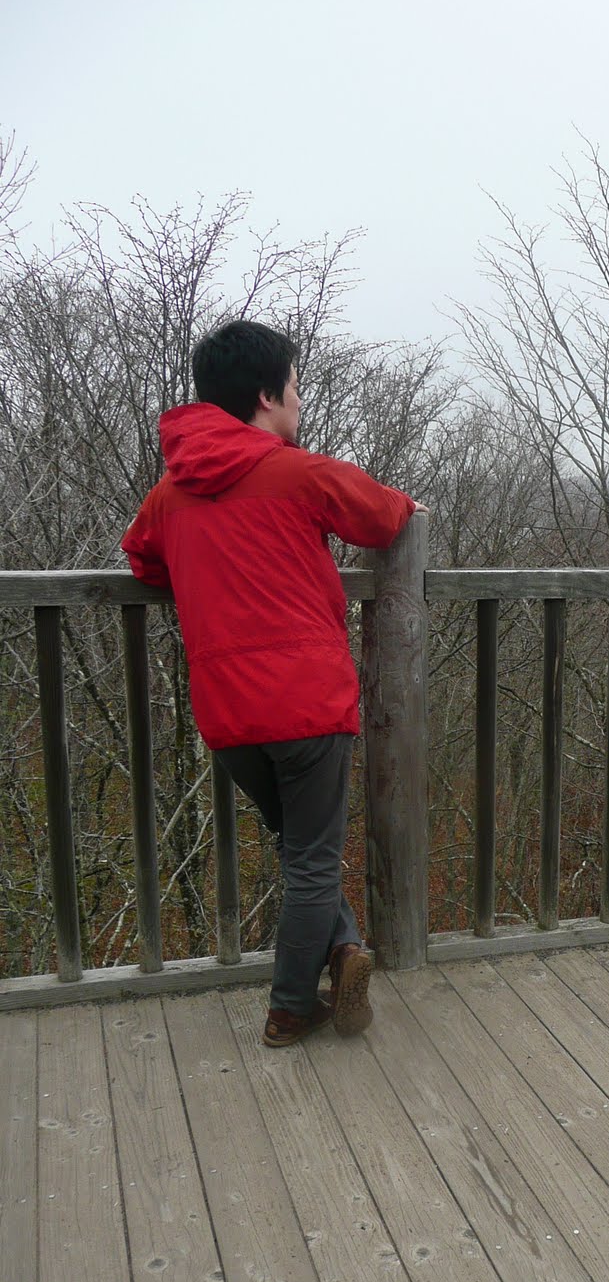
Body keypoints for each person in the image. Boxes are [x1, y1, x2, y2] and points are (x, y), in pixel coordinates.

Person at [122, 320, 425, 1043]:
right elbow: (384, 518)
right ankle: (290, 1008)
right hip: (308, 703)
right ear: (266, 396)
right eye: (295, 388)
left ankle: (345, 948)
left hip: (227, 714)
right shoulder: (298, 472)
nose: (299, 403)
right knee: (314, 859)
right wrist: (412, 507)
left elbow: (143, 560)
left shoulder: (171, 494)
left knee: (300, 848)